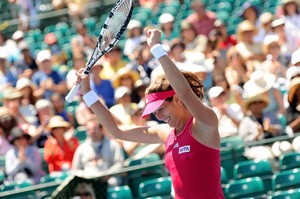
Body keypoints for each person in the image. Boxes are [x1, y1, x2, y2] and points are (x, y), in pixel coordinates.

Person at [74, 28, 224, 198]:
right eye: (155, 112)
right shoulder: (166, 134)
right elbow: (118, 130)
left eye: (160, 109)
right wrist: (87, 93)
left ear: (176, 99)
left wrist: (156, 49)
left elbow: (184, 91)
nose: (158, 116)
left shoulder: (205, 122)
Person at [72, 115, 124, 186]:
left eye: (95, 129)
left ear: (101, 129)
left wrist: (108, 174)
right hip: (88, 182)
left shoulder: (113, 145)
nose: (92, 132)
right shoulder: (81, 148)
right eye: (89, 129)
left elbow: (119, 164)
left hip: (107, 179)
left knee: (113, 182)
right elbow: (75, 169)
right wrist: (85, 177)